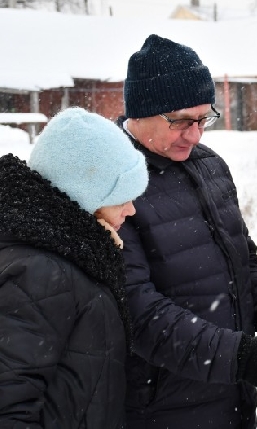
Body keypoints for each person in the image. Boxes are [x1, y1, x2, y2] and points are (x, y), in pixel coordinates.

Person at [116, 34, 257, 429]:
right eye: (181, 122)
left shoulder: (210, 166)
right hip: (162, 408)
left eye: (204, 119)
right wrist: (241, 356)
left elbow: (241, 256)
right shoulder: (113, 184)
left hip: (231, 401)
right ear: (141, 112)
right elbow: (137, 312)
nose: (195, 134)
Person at [0, 107, 148, 427]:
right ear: (85, 194)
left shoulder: (74, 255)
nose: (131, 209)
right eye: (122, 196)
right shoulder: (40, 275)